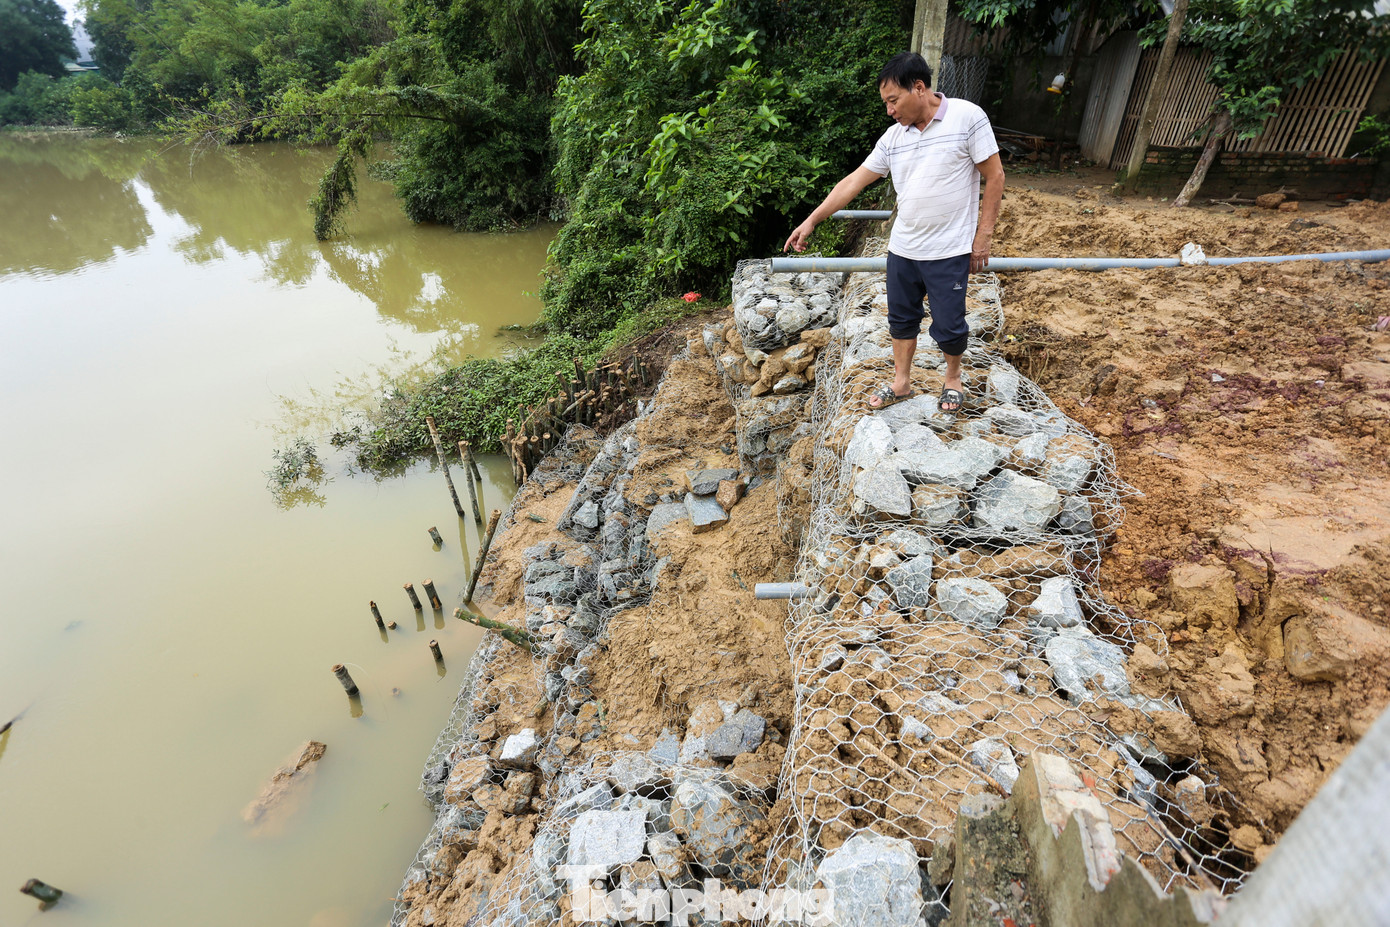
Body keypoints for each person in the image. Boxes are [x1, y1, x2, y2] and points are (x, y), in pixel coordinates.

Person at [784, 52, 1005, 413]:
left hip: (948, 249)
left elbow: (995, 176)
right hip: (903, 249)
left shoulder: (967, 117)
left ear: (919, 88)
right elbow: (853, 181)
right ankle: (901, 382)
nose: (889, 110)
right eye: (885, 102)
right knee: (901, 320)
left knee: (950, 324)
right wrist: (812, 219)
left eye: (893, 100)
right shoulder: (893, 138)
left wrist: (983, 237)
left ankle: (952, 380)